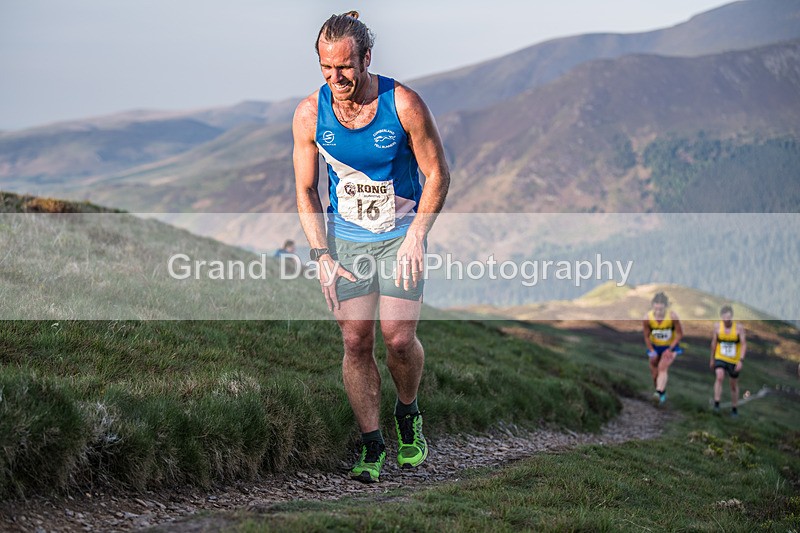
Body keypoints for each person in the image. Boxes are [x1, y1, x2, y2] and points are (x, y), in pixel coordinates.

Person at [292, 11, 450, 483]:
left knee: (399, 340)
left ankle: (409, 415)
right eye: (326, 68)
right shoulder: (309, 114)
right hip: (350, 243)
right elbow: (306, 191)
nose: (336, 78)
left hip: (402, 236)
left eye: (344, 67)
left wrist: (418, 236)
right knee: (355, 341)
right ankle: (372, 444)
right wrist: (321, 255)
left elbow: (438, 174)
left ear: (366, 58)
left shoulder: (403, 104)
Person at [642, 292, 684, 405]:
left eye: (662, 305)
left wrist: (670, 349)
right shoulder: (647, 318)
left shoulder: (672, 316)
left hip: (670, 347)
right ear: (653, 305)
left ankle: (658, 393)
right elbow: (646, 336)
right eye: (657, 304)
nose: (659, 307)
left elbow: (680, 334)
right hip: (655, 346)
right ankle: (661, 393)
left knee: (662, 367)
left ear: (666, 306)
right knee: (654, 373)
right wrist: (651, 350)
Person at [710, 305, 746, 417]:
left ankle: (734, 409)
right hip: (720, 357)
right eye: (725, 317)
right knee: (719, 376)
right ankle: (716, 404)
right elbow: (714, 343)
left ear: (732, 317)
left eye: (729, 317)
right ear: (721, 317)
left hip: (734, 360)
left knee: (733, 385)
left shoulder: (739, 328)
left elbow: (744, 344)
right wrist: (712, 359)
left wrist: (741, 360)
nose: (727, 319)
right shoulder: (717, 327)